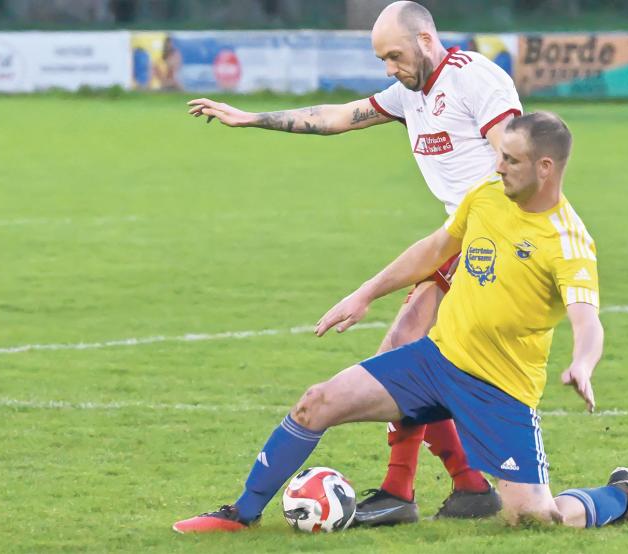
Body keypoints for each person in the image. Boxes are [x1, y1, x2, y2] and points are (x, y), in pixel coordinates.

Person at [172, 111, 628, 534]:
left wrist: (582, 362)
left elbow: (587, 318)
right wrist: (366, 292)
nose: (499, 167)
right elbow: (436, 249)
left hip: (500, 390)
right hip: (436, 360)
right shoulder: (488, 195)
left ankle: (617, 497)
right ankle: (240, 514)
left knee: (536, 520)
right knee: (316, 402)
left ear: (545, 169)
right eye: (499, 156)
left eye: (511, 161)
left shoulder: (569, 242)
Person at [185, 1, 520, 525]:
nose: (389, 68)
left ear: (427, 40)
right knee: (404, 357)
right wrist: (251, 118)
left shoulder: (477, 79)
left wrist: (507, 220)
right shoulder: (412, 94)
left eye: (394, 55)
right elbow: (337, 118)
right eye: (382, 59)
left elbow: (514, 152)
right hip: (457, 240)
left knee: (401, 354)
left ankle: (412, 492)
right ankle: (461, 486)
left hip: (491, 243)